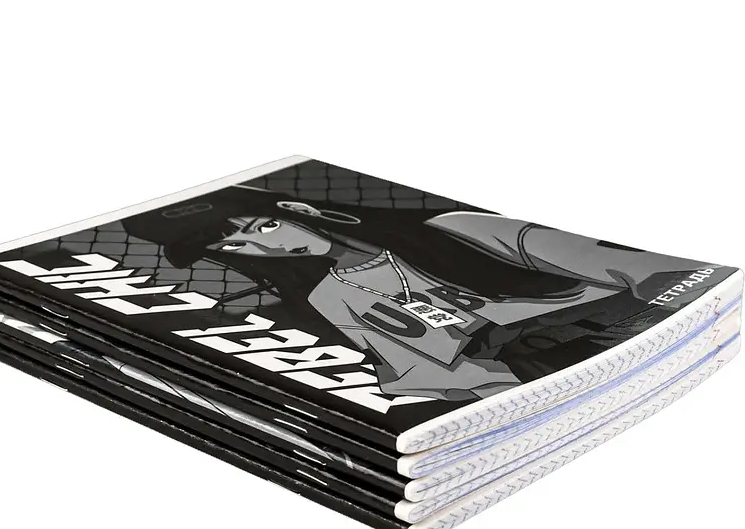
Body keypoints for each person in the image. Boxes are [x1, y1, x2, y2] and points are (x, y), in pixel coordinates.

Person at [123, 188, 714, 402]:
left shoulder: (452, 229)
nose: (257, 246)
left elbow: (642, 274)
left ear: (297, 208)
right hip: (540, 382)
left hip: (637, 329)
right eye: (233, 245)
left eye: (262, 226)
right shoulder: (331, 297)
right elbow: (436, 375)